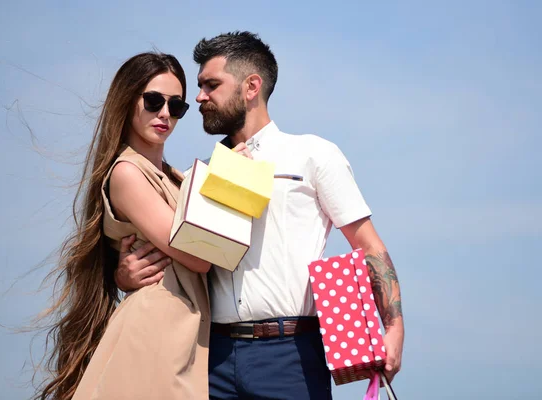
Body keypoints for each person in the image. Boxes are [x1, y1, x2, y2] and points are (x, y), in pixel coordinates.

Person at [116, 31, 405, 400]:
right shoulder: (193, 176)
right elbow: (171, 253)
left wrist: (393, 327)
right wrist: (122, 276)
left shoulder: (313, 155)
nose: (200, 97)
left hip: (292, 355)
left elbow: (368, 246)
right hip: (209, 359)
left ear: (251, 86)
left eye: (211, 85)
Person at [36, 52, 216, 400]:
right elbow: (197, 257)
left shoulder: (175, 177)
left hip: (184, 331)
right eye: (153, 101)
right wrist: (229, 179)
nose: (165, 113)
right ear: (127, 100)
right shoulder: (127, 173)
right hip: (157, 329)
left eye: (176, 106)